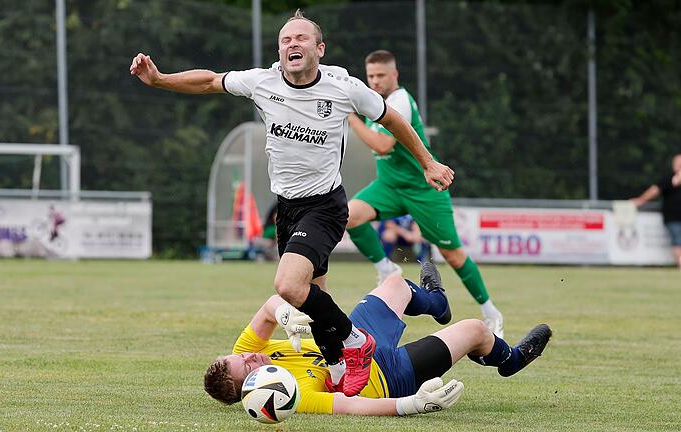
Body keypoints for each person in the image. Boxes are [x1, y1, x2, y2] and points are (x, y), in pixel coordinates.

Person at [130, 11, 455, 396]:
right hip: (288, 209)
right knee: (315, 299)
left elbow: (395, 120)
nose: (292, 44)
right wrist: (160, 79)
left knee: (287, 285)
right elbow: (209, 82)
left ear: (319, 49)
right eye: (285, 40)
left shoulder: (344, 87)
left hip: (325, 205)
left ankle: (355, 344)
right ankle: (335, 367)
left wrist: (428, 162)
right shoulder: (262, 81)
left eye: (301, 38)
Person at [203, 261, 552, 416]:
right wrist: (413, 404)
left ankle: (437, 302)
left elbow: (268, 307)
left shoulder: (246, 350)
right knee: (476, 329)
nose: (252, 358)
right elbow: (353, 405)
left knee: (396, 283)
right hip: (390, 376)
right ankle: (511, 360)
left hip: (355, 339)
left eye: (243, 357)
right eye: (247, 367)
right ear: (252, 391)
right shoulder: (286, 396)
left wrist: (283, 313)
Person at [345, 50, 505, 337]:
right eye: (371, 76)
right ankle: (387, 269)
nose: (376, 81)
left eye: (381, 75)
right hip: (389, 187)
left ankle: (491, 312)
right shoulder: (373, 103)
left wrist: (350, 116)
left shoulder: (399, 101)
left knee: (453, 255)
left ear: (395, 75)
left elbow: (382, 145)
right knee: (348, 216)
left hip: (424, 189)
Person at [631, 153, 681, 269]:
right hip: (673, 217)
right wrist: (641, 199)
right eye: (677, 163)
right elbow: (655, 190)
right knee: (678, 241)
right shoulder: (668, 179)